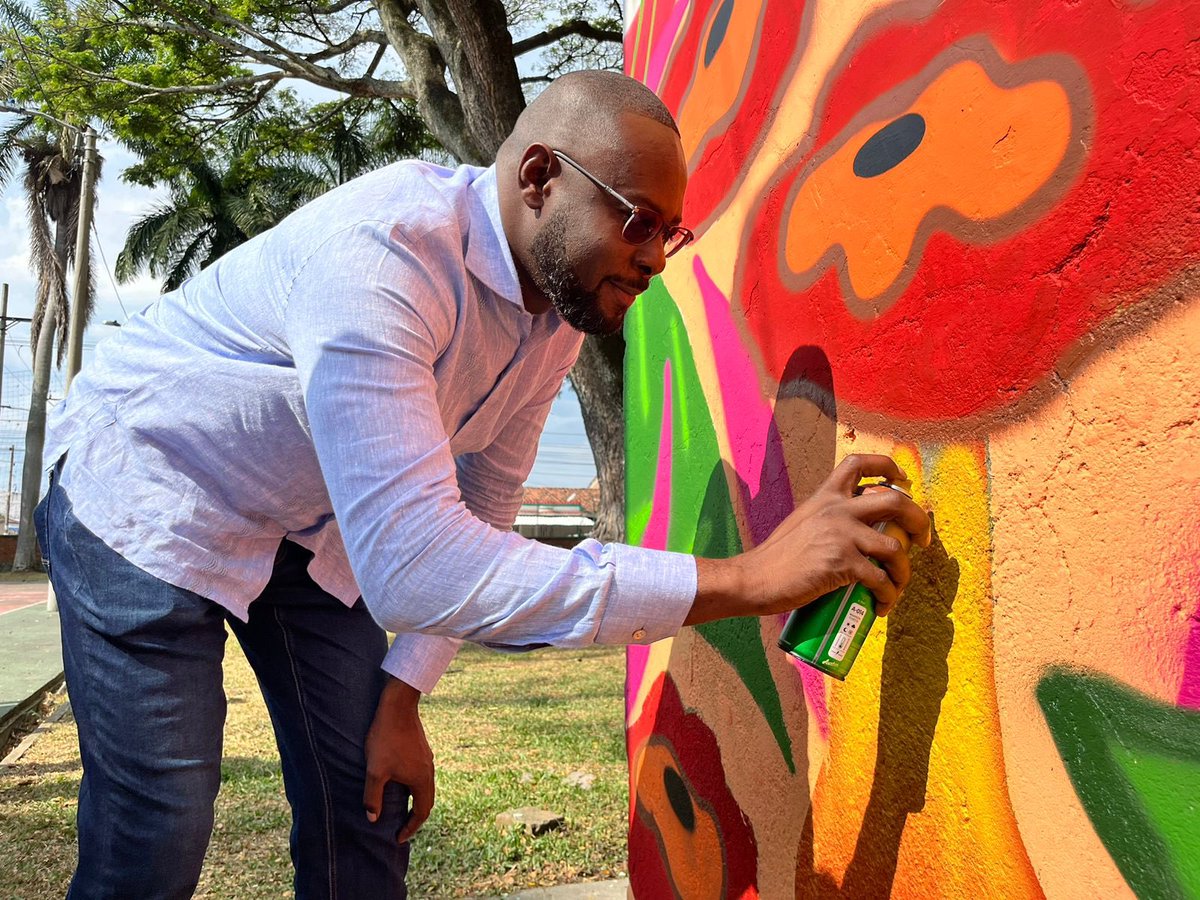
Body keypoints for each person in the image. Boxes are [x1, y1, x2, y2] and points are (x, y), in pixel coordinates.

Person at [35, 70, 930, 899]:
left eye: (671, 231)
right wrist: (751, 577)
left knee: (368, 798)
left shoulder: (553, 315)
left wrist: (403, 697)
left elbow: (485, 503)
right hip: (150, 492)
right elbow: (417, 561)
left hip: (303, 534)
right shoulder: (383, 257)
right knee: (161, 820)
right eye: (637, 219)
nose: (657, 258)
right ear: (539, 175)